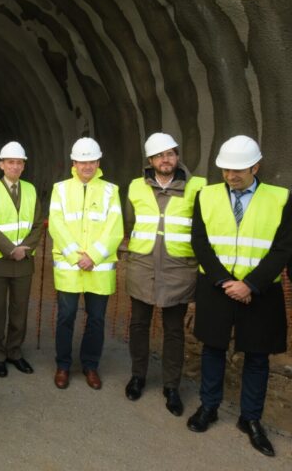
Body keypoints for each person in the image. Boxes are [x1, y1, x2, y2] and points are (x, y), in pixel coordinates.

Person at [186, 135, 292, 458]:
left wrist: (250, 284)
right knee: (213, 348)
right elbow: (200, 243)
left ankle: (251, 419)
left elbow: (283, 248)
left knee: (257, 356)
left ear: (256, 167)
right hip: (217, 287)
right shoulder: (206, 196)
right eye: (226, 169)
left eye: (239, 170)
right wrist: (225, 281)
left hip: (259, 291)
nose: (231, 176)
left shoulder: (280, 198)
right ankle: (209, 406)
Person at [124, 133, 205, 415]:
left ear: (177, 156)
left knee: (173, 330)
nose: (166, 159)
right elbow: (130, 222)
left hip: (178, 269)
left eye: (170, 153)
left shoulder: (198, 187)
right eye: (159, 155)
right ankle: (138, 376)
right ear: (150, 160)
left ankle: (171, 386)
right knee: (138, 325)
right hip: (143, 266)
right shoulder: (135, 187)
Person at [48, 137, 123, 390]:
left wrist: (93, 256)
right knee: (66, 317)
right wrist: (75, 257)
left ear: (98, 162)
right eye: (82, 161)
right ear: (74, 162)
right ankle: (63, 366)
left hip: (98, 268)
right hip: (70, 267)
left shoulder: (111, 190)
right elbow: (56, 225)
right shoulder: (60, 189)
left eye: (91, 161)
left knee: (96, 319)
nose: (87, 166)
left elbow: (115, 229)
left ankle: (90, 365)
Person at [0, 141, 41, 377]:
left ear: (23, 166)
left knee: (20, 311)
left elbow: (37, 224)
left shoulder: (31, 189)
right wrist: (11, 250)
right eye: (10, 162)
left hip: (23, 262)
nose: (15, 166)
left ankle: (14, 352)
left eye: (19, 163)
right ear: (1, 164)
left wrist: (25, 250)